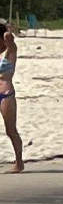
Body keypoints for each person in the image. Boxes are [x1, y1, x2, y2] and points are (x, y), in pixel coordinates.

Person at [1, 21, 21, 173]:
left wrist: (6, 28)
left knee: (10, 130)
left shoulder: (10, 50)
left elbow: (10, 38)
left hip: (6, 93)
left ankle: (19, 163)